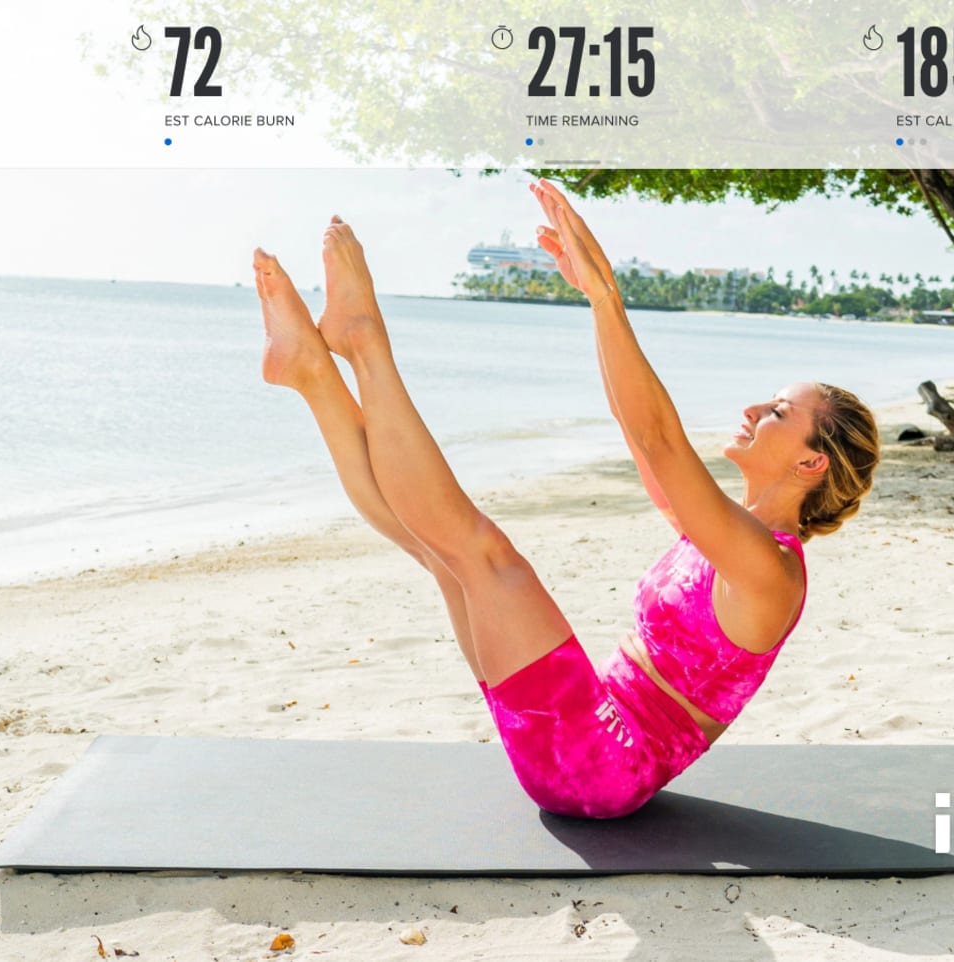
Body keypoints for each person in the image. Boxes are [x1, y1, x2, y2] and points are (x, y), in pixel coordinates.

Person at [255, 181, 880, 819]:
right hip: (581, 727)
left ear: (811, 462)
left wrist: (610, 296)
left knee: (487, 556)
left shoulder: (768, 572)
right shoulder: (724, 539)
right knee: (444, 557)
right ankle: (312, 371)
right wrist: (591, 299)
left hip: (600, 765)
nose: (751, 409)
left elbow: (658, 437)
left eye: (777, 411)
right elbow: (638, 433)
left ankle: (363, 341)